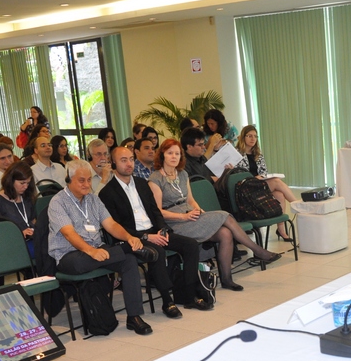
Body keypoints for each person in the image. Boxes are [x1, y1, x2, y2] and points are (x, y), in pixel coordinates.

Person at [147, 139, 280, 292]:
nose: (174, 157)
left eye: (177, 153)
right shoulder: (155, 179)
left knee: (225, 233)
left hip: (190, 215)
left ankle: (227, 279)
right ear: (162, 155)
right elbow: (158, 212)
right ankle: (258, 251)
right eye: (170, 153)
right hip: (174, 223)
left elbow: (190, 200)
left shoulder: (182, 174)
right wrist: (183, 217)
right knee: (226, 216)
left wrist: (201, 213)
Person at [100, 146, 212, 316]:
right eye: (123, 160)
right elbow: (116, 227)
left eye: (131, 159)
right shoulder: (107, 193)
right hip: (132, 237)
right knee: (157, 251)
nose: (129, 163)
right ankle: (167, 301)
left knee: (189, 244)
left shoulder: (141, 183)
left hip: (153, 230)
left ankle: (190, 294)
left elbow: (155, 211)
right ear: (113, 162)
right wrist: (147, 237)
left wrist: (162, 229)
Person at [48, 160, 156, 336]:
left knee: (128, 262)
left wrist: (129, 237)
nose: (87, 184)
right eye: (81, 180)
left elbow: (111, 224)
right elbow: (69, 234)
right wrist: (91, 251)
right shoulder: (58, 202)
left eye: (89, 180)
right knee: (82, 263)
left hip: (99, 249)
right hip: (70, 254)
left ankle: (134, 317)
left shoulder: (93, 199)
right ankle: (125, 249)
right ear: (68, 180)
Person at [234, 125, 297, 241]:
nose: (253, 139)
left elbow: (264, 172)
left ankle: (281, 230)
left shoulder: (258, 154)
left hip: (258, 185)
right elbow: (237, 176)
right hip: (246, 188)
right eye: (249, 136)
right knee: (276, 181)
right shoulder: (236, 154)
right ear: (243, 137)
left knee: (279, 195)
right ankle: (297, 204)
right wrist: (254, 178)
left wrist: (261, 177)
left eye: (255, 136)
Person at [0, 161, 37, 256]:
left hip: (32, 239)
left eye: (28, 183)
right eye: (22, 183)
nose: (26, 187)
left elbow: (33, 220)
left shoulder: (27, 197)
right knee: (45, 250)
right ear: (10, 180)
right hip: (12, 244)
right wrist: (19, 233)